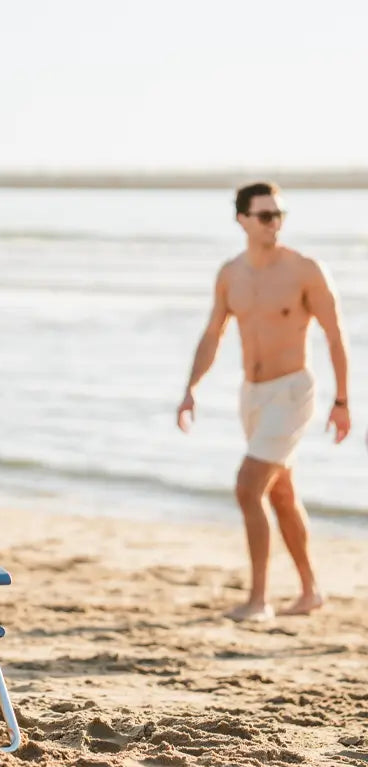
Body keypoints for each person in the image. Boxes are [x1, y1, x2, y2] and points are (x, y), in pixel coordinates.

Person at [176, 181, 350, 622]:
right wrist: (191, 388)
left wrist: (342, 400)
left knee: (247, 486)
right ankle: (311, 591)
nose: (276, 223)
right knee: (282, 495)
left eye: (281, 214)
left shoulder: (305, 269)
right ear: (242, 220)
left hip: (294, 391)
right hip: (251, 395)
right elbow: (213, 334)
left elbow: (335, 336)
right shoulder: (230, 273)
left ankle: (259, 601)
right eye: (267, 215)